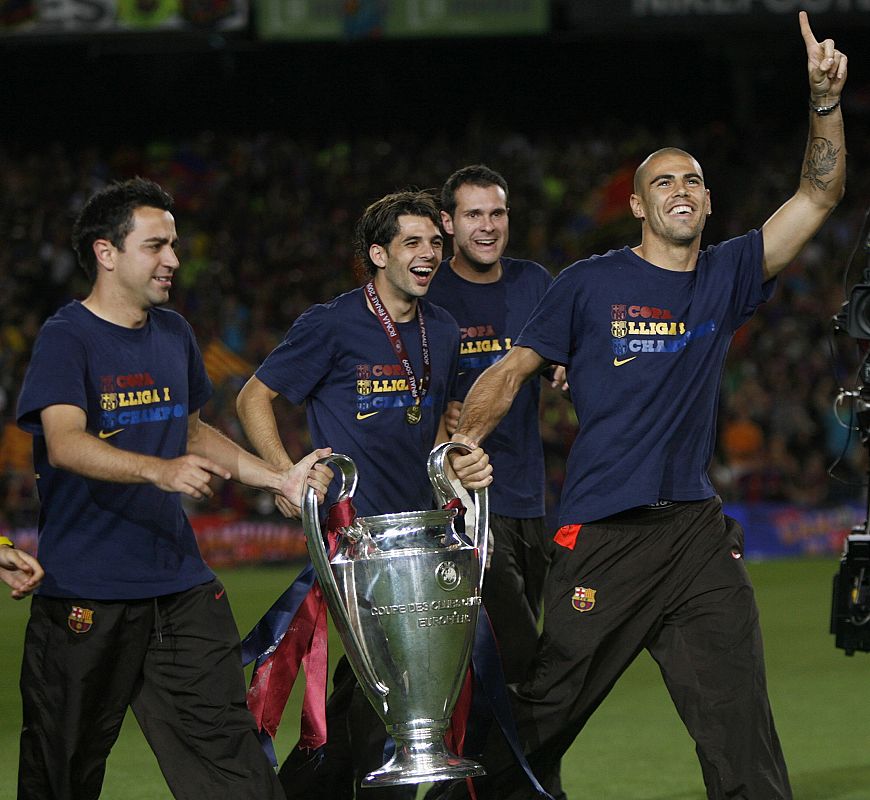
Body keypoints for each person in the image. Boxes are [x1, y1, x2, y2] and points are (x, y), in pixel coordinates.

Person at [444, 12, 846, 800]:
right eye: (663, 180)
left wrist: (824, 101)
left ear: (706, 199)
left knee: (738, 718)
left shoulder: (726, 273)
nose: (682, 190)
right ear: (636, 204)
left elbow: (818, 195)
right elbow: (512, 369)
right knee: (547, 707)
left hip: (693, 531)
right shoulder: (588, 284)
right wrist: (461, 444)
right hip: (603, 534)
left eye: (693, 178)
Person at [15, 177, 332, 800]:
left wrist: (276, 475)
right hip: (87, 590)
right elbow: (64, 441)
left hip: (179, 588)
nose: (174, 261)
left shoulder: (174, 333)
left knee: (234, 765)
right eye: (157, 246)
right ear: (107, 253)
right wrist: (158, 470)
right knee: (61, 773)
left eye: (175, 245)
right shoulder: (67, 336)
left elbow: (191, 431)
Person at [236, 190, 491, 799]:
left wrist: (455, 464)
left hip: (419, 547)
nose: (429, 253)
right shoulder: (332, 323)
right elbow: (252, 396)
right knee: (376, 696)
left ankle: (312, 790)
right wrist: (285, 474)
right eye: (412, 243)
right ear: (378, 254)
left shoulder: (446, 329)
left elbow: (428, 424)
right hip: (351, 543)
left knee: (375, 695)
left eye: (435, 242)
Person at [428, 164, 555, 684]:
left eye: (497, 212)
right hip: (466, 499)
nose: (487, 225)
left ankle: (511, 765)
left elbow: (562, 358)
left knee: (512, 661)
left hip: (529, 495)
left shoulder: (535, 283)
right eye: (473, 213)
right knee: (519, 652)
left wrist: (567, 368)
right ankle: (527, 767)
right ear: (448, 223)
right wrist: (438, 418)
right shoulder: (428, 291)